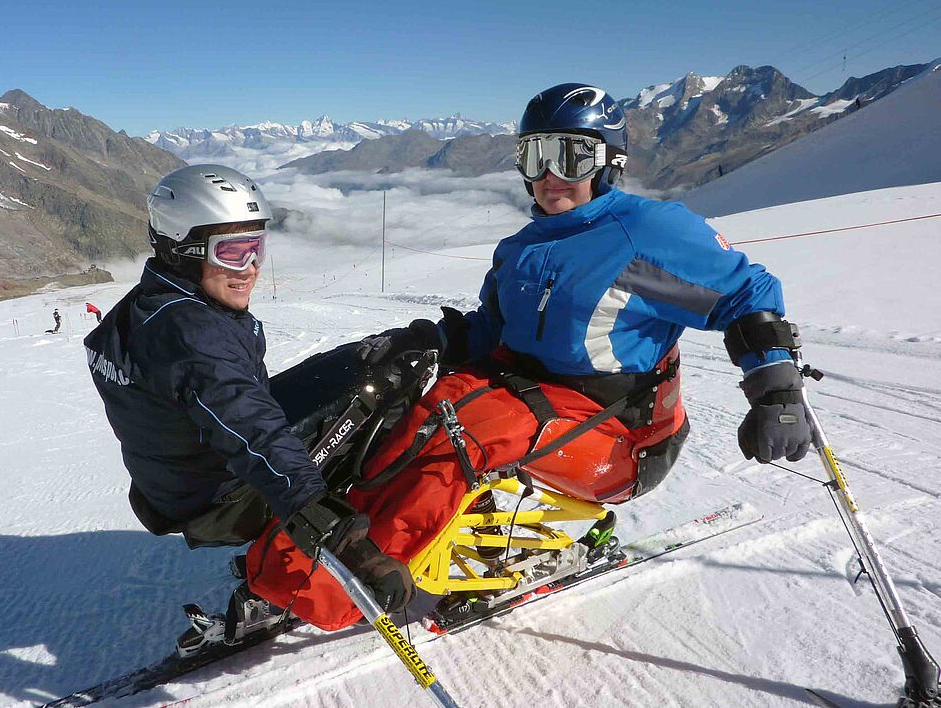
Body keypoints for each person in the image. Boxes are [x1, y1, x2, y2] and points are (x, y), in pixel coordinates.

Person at [243, 83, 814, 630]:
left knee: (456, 435)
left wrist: (777, 391)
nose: (548, 175)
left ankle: (331, 585)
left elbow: (747, 295)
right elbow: (494, 330)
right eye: (535, 155)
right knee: (395, 408)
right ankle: (312, 538)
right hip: (531, 395)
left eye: (570, 156)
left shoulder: (645, 233)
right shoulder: (521, 248)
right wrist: (424, 346)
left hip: (619, 434)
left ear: (608, 161)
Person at [83, 165, 412, 655]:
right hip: (223, 495)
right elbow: (254, 432)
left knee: (346, 364)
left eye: (256, 248)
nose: (251, 268)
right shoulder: (195, 340)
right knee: (375, 393)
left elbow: (229, 402)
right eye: (232, 252)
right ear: (181, 248)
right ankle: (320, 552)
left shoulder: (149, 305)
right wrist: (335, 531)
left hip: (178, 477)